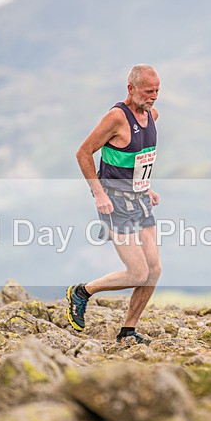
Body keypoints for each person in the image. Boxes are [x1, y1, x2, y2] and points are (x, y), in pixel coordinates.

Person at [67, 64, 162, 344]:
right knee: (138, 272)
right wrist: (98, 193)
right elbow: (83, 152)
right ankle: (82, 291)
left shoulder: (153, 116)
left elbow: (138, 157)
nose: (153, 97)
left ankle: (127, 331)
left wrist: (147, 186)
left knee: (154, 270)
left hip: (140, 200)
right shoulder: (116, 117)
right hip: (114, 203)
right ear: (131, 89)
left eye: (157, 91)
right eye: (148, 91)